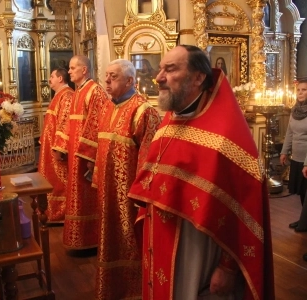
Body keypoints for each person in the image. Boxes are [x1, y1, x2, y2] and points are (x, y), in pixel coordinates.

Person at [128, 45, 275, 299]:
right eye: (161, 68)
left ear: (198, 78)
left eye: (170, 69)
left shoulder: (225, 138)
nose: (159, 77)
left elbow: (245, 210)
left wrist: (228, 268)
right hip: (161, 242)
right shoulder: (169, 123)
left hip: (198, 254)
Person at [90, 59, 160, 299]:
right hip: (107, 192)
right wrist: (98, 178)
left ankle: (135, 290)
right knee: (109, 239)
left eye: (114, 77)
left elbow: (149, 157)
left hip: (129, 196)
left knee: (130, 241)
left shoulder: (144, 110)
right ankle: (112, 287)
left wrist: (141, 194)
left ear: (130, 80)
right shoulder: (108, 107)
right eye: (106, 76)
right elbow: (102, 149)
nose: (107, 81)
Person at [53, 55, 109, 250]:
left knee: (87, 196)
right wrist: (62, 146)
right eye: (69, 68)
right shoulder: (78, 92)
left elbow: (97, 125)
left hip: (85, 156)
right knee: (76, 194)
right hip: (75, 154)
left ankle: (91, 239)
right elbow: (69, 123)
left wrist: (90, 156)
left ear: (84, 70)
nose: (69, 71)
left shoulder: (95, 91)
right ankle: (80, 239)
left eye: (72, 68)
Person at [38, 68, 74, 223]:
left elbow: (64, 124)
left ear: (60, 78)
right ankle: (49, 211)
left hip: (57, 149)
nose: (49, 79)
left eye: (52, 76)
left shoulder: (67, 95)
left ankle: (61, 212)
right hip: (50, 147)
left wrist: (60, 148)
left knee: (60, 181)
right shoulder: (59, 95)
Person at [280, 78, 307, 231]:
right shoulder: (295, 109)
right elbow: (290, 132)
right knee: (302, 193)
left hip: (306, 159)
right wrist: (284, 151)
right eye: (299, 90)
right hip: (296, 157)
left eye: (304, 90)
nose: (300, 93)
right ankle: (304, 220)